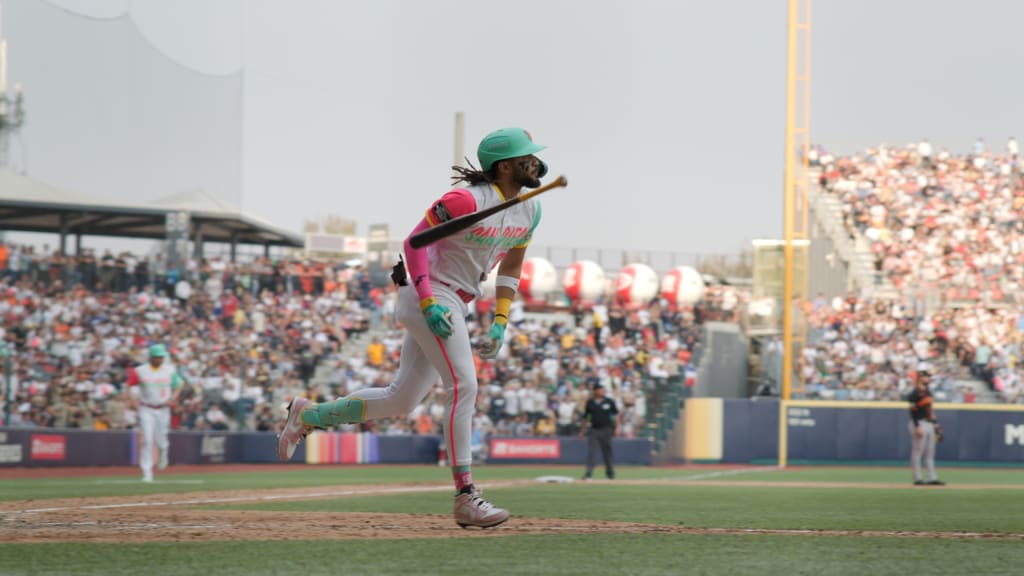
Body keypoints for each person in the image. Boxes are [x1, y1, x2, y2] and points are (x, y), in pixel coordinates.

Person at [278, 127, 551, 528]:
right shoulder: (464, 199)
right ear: (505, 166)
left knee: (402, 399)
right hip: (428, 292)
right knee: (464, 384)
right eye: (526, 156)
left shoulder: (531, 208)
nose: (535, 161)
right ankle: (465, 496)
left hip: (457, 299)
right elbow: (413, 243)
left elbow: (511, 266)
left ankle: (309, 416)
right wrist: (426, 300)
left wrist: (500, 319)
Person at [127, 344, 185, 482]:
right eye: (157, 357)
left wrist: (173, 398)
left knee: (161, 441)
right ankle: (147, 472)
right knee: (146, 440)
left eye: (161, 357)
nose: (159, 359)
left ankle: (163, 454)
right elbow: (130, 385)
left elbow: (179, 385)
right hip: (146, 407)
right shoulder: (141, 370)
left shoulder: (169, 370)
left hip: (163, 408)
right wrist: (132, 400)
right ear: (151, 357)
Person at [907, 364, 945, 486]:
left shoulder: (928, 392)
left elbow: (930, 411)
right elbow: (912, 410)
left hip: (929, 424)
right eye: (926, 376)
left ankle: (931, 477)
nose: (928, 378)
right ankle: (917, 478)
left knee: (930, 452)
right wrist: (917, 425)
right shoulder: (915, 393)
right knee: (918, 451)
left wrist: (936, 424)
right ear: (920, 377)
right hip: (919, 423)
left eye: (929, 376)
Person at [579, 383, 619, 480]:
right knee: (592, 452)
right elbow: (586, 417)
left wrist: (617, 427)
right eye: (600, 390)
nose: (602, 391)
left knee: (607, 452)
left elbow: (616, 414)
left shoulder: (609, 402)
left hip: (607, 429)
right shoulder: (590, 402)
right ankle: (589, 474)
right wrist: (582, 431)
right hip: (594, 429)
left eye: (603, 390)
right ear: (595, 391)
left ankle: (610, 474)